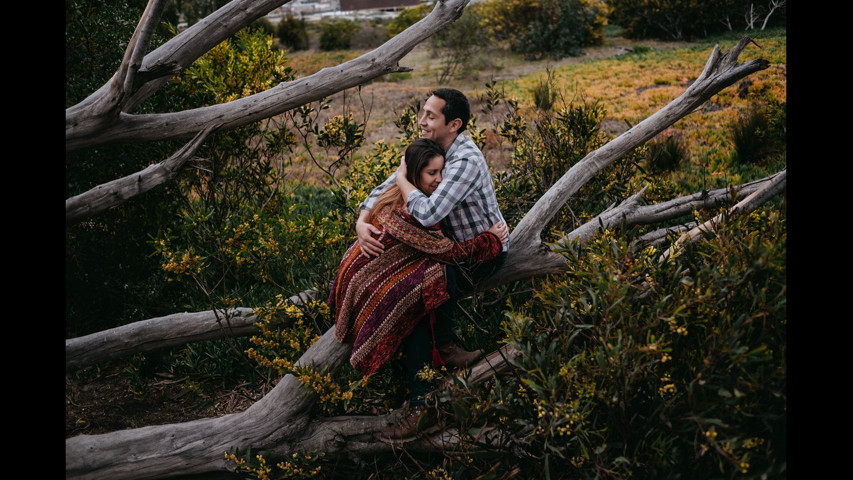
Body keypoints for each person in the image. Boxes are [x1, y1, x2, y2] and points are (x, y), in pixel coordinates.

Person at [354, 88, 509, 439]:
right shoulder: (436, 147)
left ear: (453, 124)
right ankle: (440, 354)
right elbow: (383, 187)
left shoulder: (464, 160)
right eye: (422, 112)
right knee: (404, 285)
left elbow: (428, 214)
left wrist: (404, 180)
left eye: (430, 116)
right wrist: (362, 221)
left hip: (478, 254)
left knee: (419, 299)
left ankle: (421, 404)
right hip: (441, 249)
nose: (421, 121)